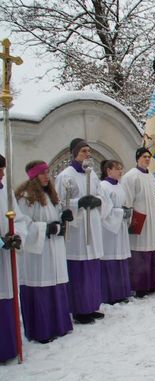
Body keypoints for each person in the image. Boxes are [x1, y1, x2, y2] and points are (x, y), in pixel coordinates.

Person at [15, 161, 73, 343]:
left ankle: (59, 325)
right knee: (42, 286)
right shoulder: (26, 198)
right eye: (42, 173)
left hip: (53, 249)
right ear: (33, 176)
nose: (47, 176)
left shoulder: (50, 196)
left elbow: (54, 218)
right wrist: (45, 229)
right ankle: (42, 329)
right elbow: (23, 223)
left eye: (48, 172)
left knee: (55, 284)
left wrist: (63, 219)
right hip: (38, 253)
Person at [55, 138, 106, 324]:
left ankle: (91, 305)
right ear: (74, 153)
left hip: (92, 225)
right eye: (83, 151)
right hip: (77, 230)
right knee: (79, 270)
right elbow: (60, 202)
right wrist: (78, 203)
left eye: (88, 151)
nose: (87, 154)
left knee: (92, 267)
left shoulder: (91, 174)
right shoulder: (65, 176)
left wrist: (98, 201)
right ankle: (79, 309)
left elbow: (101, 194)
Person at [121, 147, 155, 298]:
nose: (147, 159)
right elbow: (127, 200)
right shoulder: (131, 176)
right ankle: (139, 286)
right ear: (137, 158)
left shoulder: (150, 176)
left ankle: (151, 283)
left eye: (149, 156)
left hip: (152, 219)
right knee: (139, 252)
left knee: (151, 249)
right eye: (144, 156)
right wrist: (132, 219)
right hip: (139, 219)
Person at [1, 154, 28, 361]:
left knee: (8, 299)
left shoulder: (6, 192)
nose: (2, 174)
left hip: (6, 256)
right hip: (2, 247)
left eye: (3, 169)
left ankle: (8, 347)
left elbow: (18, 218)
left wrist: (17, 236)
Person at [98, 160, 132, 305]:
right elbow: (104, 210)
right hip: (109, 230)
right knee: (110, 258)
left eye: (121, 168)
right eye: (117, 169)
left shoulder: (119, 186)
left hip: (121, 226)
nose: (120, 171)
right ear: (108, 170)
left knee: (120, 258)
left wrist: (126, 211)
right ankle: (110, 294)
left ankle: (121, 292)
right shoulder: (103, 187)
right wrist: (120, 212)